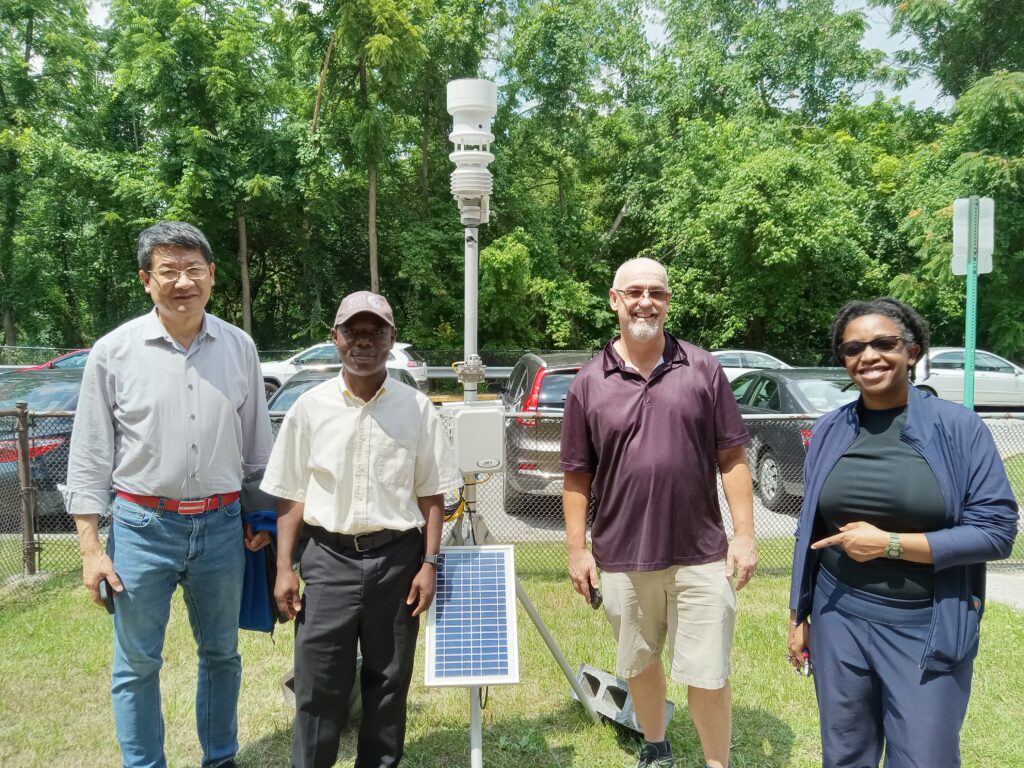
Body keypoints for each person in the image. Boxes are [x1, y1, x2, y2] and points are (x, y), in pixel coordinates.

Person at [66, 221, 274, 768]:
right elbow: (89, 456)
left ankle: (221, 758)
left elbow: (257, 450)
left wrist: (263, 520)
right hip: (140, 526)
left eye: (194, 269)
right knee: (136, 664)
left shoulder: (239, 347)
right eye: (168, 271)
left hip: (224, 527)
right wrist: (91, 549)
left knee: (222, 655)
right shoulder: (114, 352)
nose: (183, 281)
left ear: (212, 276)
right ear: (146, 279)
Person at [788, 297, 1018, 768]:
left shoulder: (959, 428)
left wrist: (890, 544)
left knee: (924, 758)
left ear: (911, 351)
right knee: (845, 753)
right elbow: (808, 528)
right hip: (839, 619)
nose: (868, 356)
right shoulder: (831, 429)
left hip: (926, 623)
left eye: (883, 343)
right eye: (853, 349)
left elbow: (996, 531)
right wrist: (799, 614)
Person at [560, 257, 758, 768]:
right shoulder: (587, 383)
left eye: (657, 292)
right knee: (640, 662)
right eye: (635, 292)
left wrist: (744, 534)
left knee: (709, 671)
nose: (646, 300)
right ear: (615, 300)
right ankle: (656, 746)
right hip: (623, 554)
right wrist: (578, 549)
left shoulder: (703, 368)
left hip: (701, 552)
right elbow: (577, 475)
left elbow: (733, 456)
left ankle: (718, 763)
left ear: (668, 301)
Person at [262, 290, 461, 768]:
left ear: (392, 339)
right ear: (336, 339)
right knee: (317, 685)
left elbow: (432, 495)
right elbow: (292, 494)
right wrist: (284, 568)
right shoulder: (309, 409)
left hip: (398, 562)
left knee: (389, 684)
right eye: (354, 331)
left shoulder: (417, 410)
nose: (364, 341)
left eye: (376, 332)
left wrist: (429, 563)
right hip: (328, 562)